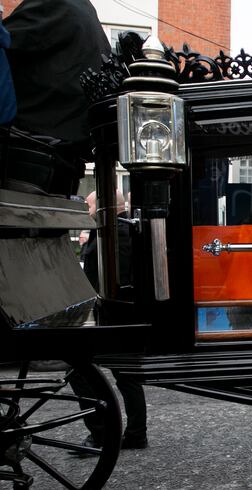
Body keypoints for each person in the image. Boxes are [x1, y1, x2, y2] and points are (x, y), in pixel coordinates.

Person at [3, 0, 111, 194]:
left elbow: (5, 46)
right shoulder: (87, 14)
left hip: (25, 158)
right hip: (63, 163)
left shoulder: (52, 5)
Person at [76, 190, 148, 450]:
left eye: (89, 205)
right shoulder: (124, 230)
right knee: (127, 377)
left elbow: (97, 277)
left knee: (80, 372)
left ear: (102, 207)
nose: (87, 209)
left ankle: (101, 433)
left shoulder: (111, 233)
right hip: (124, 315)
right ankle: (136, 433)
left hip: (115, 316)